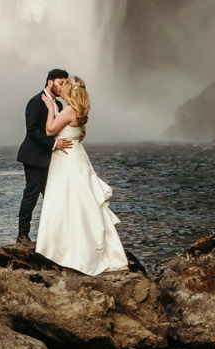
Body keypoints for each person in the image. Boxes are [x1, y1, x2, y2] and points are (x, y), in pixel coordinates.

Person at [31, 75, 130, 275]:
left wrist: (51, 109)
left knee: (64, 201)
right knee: (80, 202)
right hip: (77, 157)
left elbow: (50, 130)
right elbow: (80, 135)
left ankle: (62, 249)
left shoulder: (68, 110)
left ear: (70, 92)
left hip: (65, 160)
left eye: (65, 87)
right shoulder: (81, 112)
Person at [14, 67, 67, 249]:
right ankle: (22, 236)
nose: (63, 87)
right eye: (61, 83)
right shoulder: (35, 102)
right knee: (31, 195)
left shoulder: (59, 106)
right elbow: (33, 131)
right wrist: (53, 145)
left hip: (52, 159)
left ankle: (55, 236)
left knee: (54, 197)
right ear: (50, 82)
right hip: (34, 157)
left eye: (66, 84)